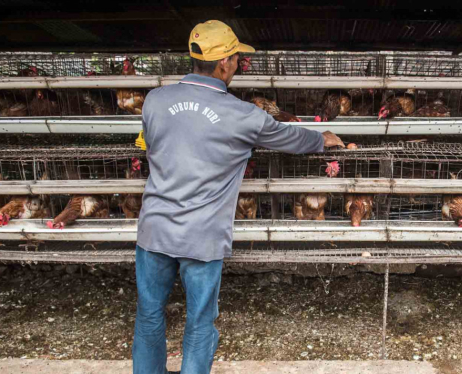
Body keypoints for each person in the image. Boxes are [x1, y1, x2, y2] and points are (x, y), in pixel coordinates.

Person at [132, 20, 344, 374]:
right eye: (236, 59)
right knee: (199, 322)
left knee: (149, 314)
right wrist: (322, 138)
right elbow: (291, 139)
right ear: (224, 63)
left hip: (154, 231)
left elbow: (154, 145)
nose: (237, 66)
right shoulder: (243, 115)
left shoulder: (155, 100)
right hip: (202, 237)